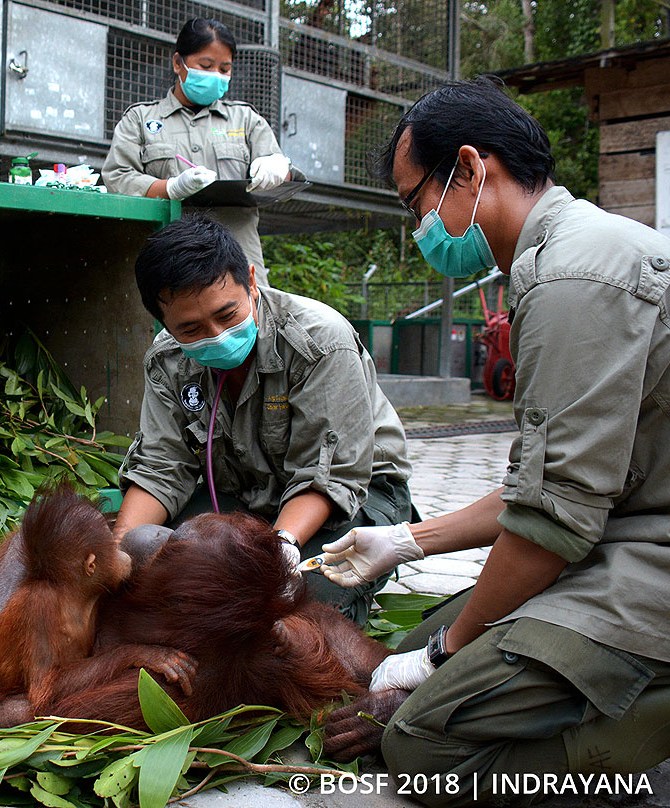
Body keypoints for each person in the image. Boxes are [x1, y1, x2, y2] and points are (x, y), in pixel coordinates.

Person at [318, 77, 670, 805]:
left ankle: (640, 736)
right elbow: (547, 485)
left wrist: (447, 652)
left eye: (415, 203)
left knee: (420, 746)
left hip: (647, 562)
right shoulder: (553, 261)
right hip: (618, 535)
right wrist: (409, 542)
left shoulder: (575, 275)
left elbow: (551, 521)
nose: (419, 229)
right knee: (416, 657)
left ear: (473, 171)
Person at [112, 215, 413, 625]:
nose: (215, 335)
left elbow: (331, 476)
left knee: (292, 612)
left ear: (251, 282)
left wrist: (282, 547)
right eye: (191, 328)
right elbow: (161, 469)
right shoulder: (168, 360)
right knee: (155, 562)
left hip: (354, 496)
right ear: (163, 323)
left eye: (228, 314)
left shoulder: (320, 341)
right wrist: (118, 558)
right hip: (247, 493)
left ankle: (346, 598)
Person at [102, 17, 291, 272]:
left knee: (243, 311)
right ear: (178, 63)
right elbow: (117, 176)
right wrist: (171, 187)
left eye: (224, 69)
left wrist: (277, 167)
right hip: (168, 257)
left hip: (235, 260)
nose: (215, 75)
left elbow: (285, 175)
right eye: (205, 65)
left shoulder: (246, 120)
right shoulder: (140, 119)